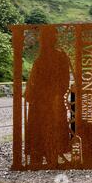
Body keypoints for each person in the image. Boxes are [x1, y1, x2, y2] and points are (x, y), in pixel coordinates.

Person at [25, 27, 71, 168]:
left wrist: (56, 95)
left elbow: (63, 80)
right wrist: (30, 92)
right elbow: (33, 78)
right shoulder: (40, 58)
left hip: (51, 100)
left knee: (52, 127)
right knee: (37, 128)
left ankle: (52, 155)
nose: (42, 41)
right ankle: (37, 157)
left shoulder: (60, 56)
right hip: (39, 100)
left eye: (44, 38)